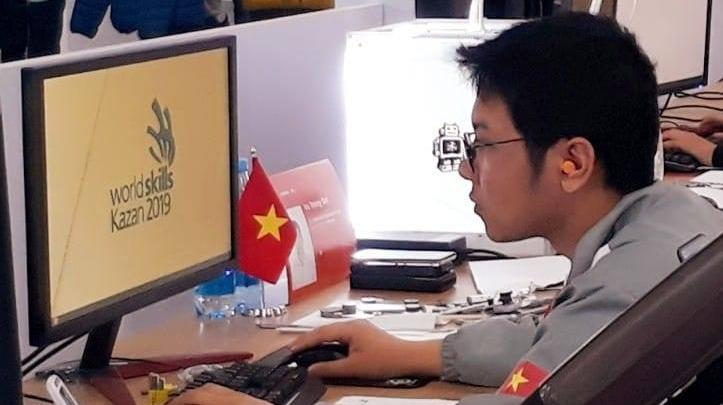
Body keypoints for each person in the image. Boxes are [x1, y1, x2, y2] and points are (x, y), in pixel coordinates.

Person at [170, 12, 723, 405]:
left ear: (572, 162)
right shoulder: (673, 220)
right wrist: (415, 354)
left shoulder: (629, 290)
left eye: (482, 143)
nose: (466, 168)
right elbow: (554, 342)